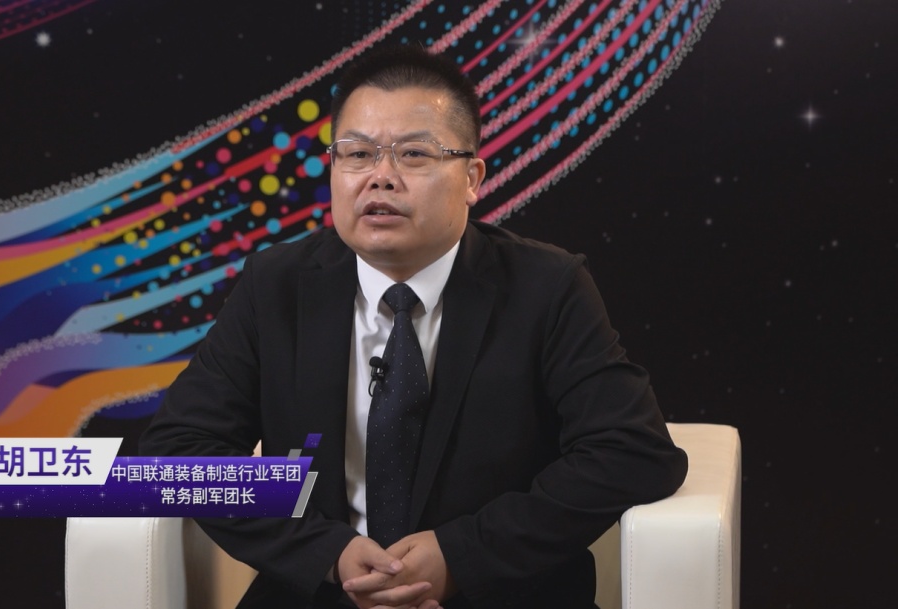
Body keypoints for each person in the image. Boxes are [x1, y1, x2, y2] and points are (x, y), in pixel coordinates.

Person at [140, 44, 688, 609]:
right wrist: (325, 551)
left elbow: (633, 452)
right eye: (357, 154)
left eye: (414, 155)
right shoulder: (275, 285)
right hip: (321, 593)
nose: (381, 177)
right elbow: (178, 452)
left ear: (472, 177)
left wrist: (462, 555)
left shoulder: (546, 287)